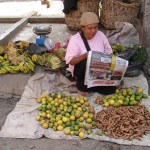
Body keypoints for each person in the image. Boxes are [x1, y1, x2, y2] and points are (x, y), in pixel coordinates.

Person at [65, 12, 116, 96]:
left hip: (98, 70)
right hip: (82, 70)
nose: (93, 31)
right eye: (90, 28)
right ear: (83, 28)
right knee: (86, 62)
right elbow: (71, 61)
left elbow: (109, 54)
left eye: (96, 27)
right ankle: (81, 86)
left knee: (111, 90)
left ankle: (87, 85)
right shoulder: (75, 40)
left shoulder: (101, 35)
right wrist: (84, 56)